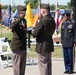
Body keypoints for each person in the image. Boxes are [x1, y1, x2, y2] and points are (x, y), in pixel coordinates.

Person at [32, 4, 56, 75]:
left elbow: (35, 34)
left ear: (43, 11)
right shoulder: (52, 20)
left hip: (42, 45)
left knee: (43, 65)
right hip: (49, 44)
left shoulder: (42, 21)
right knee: (48, 64)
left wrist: (34, 27)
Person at [10, 5, 27, 75]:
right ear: (20, 12)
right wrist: (20, 17)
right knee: (17, 65)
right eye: (24, 12)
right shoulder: (15, 18)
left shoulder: (24, 20)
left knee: (22, 65)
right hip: (17, 45)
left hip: (23, 45)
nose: (25, 13)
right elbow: (12, 25)